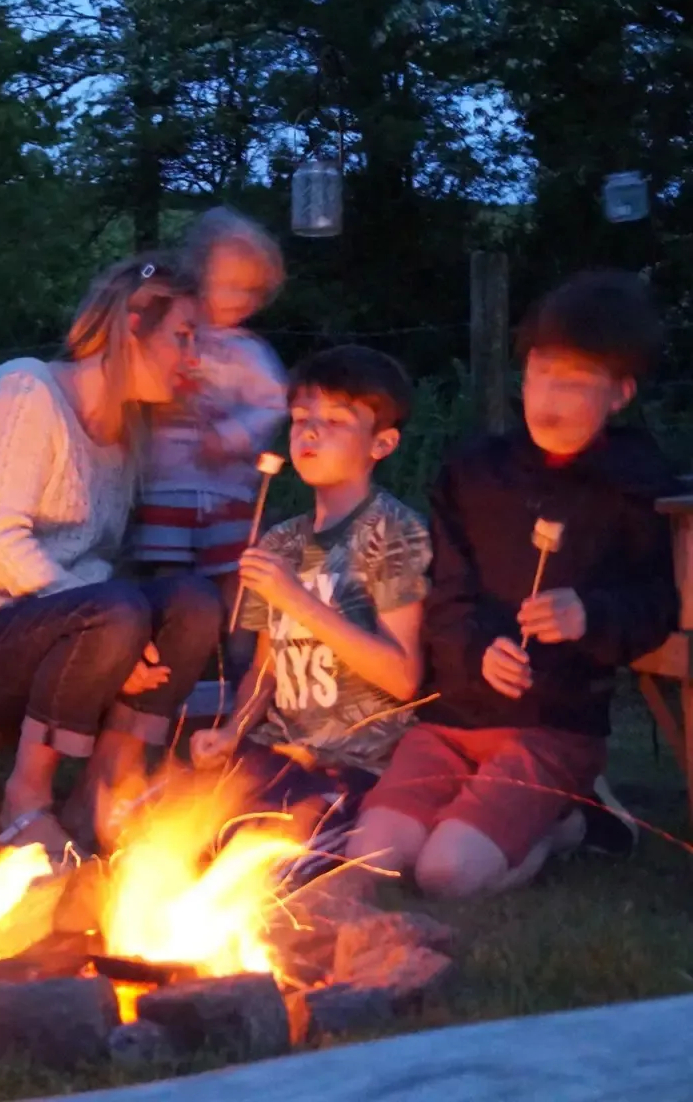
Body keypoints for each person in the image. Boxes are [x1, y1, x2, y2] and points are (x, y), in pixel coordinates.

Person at [351, 271, 678, 900]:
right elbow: (445, 600)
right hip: (452, 721)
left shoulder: (636, 486)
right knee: (374, 858)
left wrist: (592, 614)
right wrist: (477, 651)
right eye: (540, 375)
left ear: (621, 393)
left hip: (552, 726)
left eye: (577, 381)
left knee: (447, 874)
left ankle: (573, 822)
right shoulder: (475, 475)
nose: (551, 397)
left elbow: (658, 602)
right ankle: (513, 817)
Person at [0, 254, 222, 858]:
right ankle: (23, 802)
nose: (192, 359)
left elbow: (101, 568)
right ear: (133, 323)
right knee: (120, 609)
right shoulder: (26, 390)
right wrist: (112, 628)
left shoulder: (126, 434)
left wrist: (120, 632)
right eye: (182, 338)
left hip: (73, 633)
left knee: (194, 601)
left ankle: (105, 789)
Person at [192, 346, 431, 861]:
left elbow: (404, 678)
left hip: (355, 762)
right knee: (166, 831)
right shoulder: (280, 543)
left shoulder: (393, 532)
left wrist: (297, 600)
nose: (311, 432)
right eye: (302, 418)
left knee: (268, 855)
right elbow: (264, 667)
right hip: (276, 750)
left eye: (336, 421)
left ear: (382, 443)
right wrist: (231, 732)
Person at [130, 207, 288, 678]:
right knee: (167, 582)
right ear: (197, 276)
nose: (243, 300)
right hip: (163, 488)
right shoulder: (168, 336)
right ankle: (173, 673)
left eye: (253, 291)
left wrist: (231, 436)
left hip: (227, 498)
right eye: (231, 285)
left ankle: (238, 672)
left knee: (235, 584)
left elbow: (273, 405)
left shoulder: (248, 353)